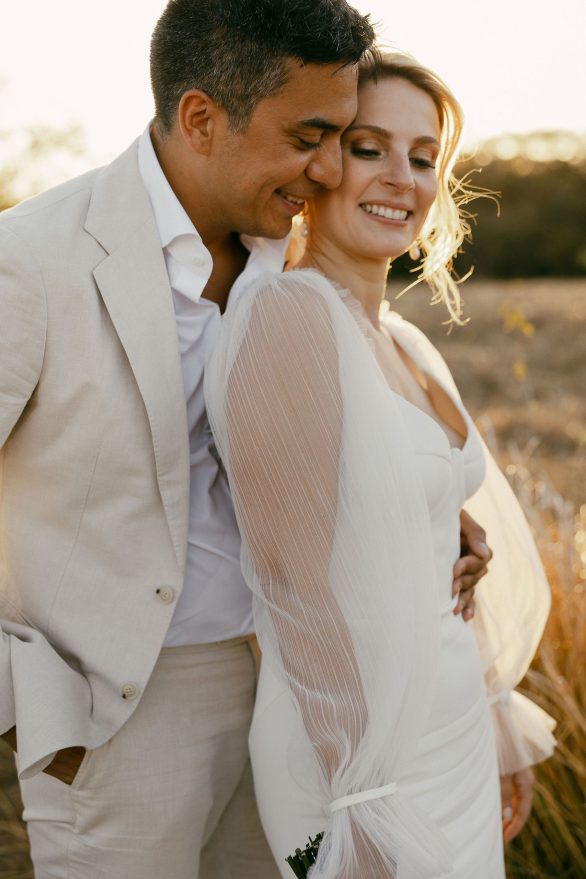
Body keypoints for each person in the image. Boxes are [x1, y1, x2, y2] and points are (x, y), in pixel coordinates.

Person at [0, 2, 377, 877]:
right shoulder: (29, 259)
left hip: (288, 698)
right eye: (308, 136)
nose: (330, 170)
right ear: (202, 118)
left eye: (341, 138)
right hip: (116, 721)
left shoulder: (299, 262)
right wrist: (30, 701)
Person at [204, 52, 557, 878]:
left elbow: (418, 529)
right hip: (363, 759)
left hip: (449, 724)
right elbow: (296, 588)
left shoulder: (402, 340)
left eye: (424, 157)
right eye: (369, 148)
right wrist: (363, 803)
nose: (402, 177)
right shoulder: (288, 318)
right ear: (317, 166)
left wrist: (495, 715)